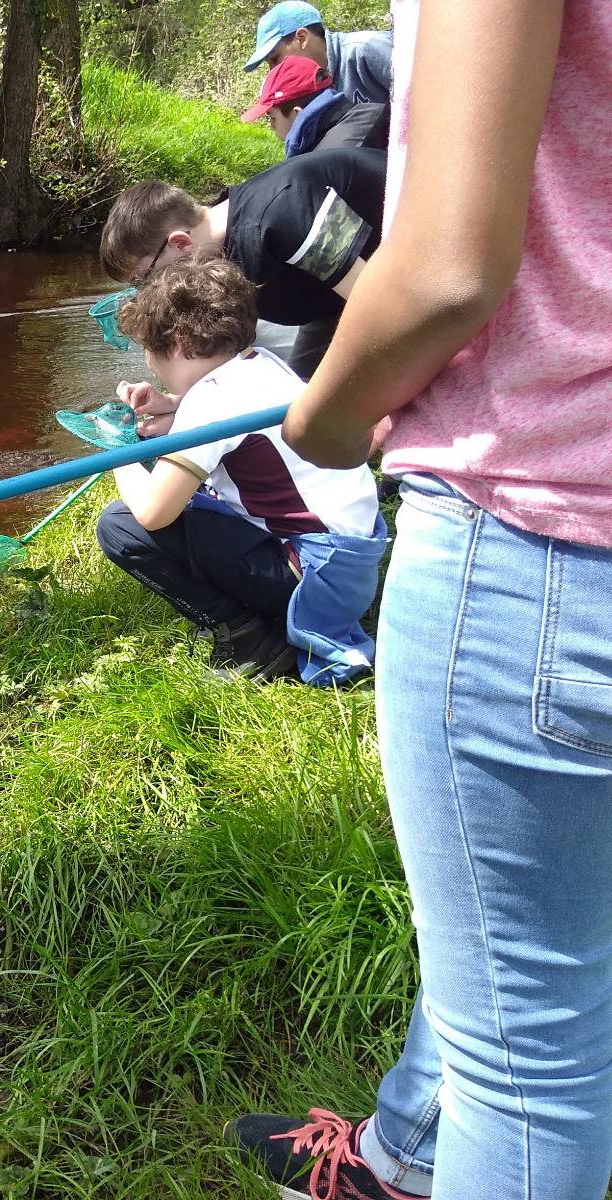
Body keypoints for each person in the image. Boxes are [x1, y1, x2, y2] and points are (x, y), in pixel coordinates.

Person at [224, 0, 612, 1196]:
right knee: (542, 956)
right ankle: (399, 1153)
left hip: (538, 526)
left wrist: (323, 420)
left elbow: (445, 271)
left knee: (533, 1067)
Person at [94, 257, 384, 685]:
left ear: (176, 343)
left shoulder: (210, 401)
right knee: (188, 492)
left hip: (314, 580)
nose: (152, 368)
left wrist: (116, 450)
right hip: (349, 566)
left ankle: (249, 637)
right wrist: (173, 408)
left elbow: (153, 513)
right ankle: (266, 621)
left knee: (120, 526)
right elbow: (237, 427)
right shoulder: (261, 363)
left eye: (152, 354)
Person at [99, 145, 387, 379]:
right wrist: (182, 404)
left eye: (145, 279)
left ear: (180, 243)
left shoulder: (280, 217)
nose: (148, 293)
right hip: (335, 304)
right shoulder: (225, 256)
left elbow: (379, 305)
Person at [245, 0, 393, 105]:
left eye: (275, 59)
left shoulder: (366, 50)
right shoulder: (317, 84)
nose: (274, 71)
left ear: (301, 38)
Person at [240, 54, 390, 155]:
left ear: (297, 114)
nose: (271, 126)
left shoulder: (324, 160)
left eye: (272, 118)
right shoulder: (376, 111)